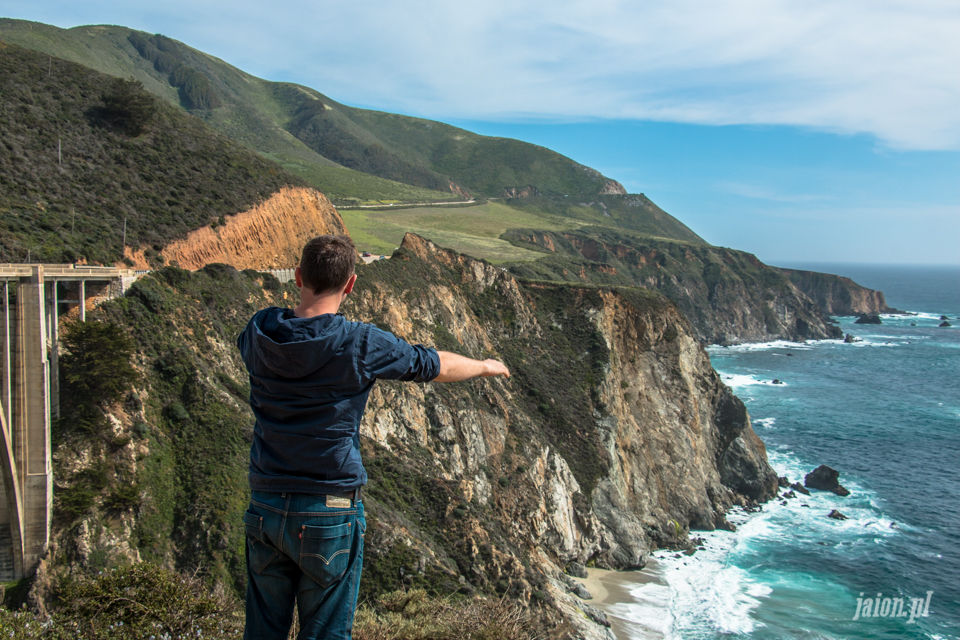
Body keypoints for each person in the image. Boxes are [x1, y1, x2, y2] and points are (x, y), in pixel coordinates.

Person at [236, 235, 509, 640]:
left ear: (297, 276)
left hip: (266, 506)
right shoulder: (358, 342)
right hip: (329, 507)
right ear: (350, 284)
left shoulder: (258, 331)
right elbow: (431, 364)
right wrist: (485, 366)